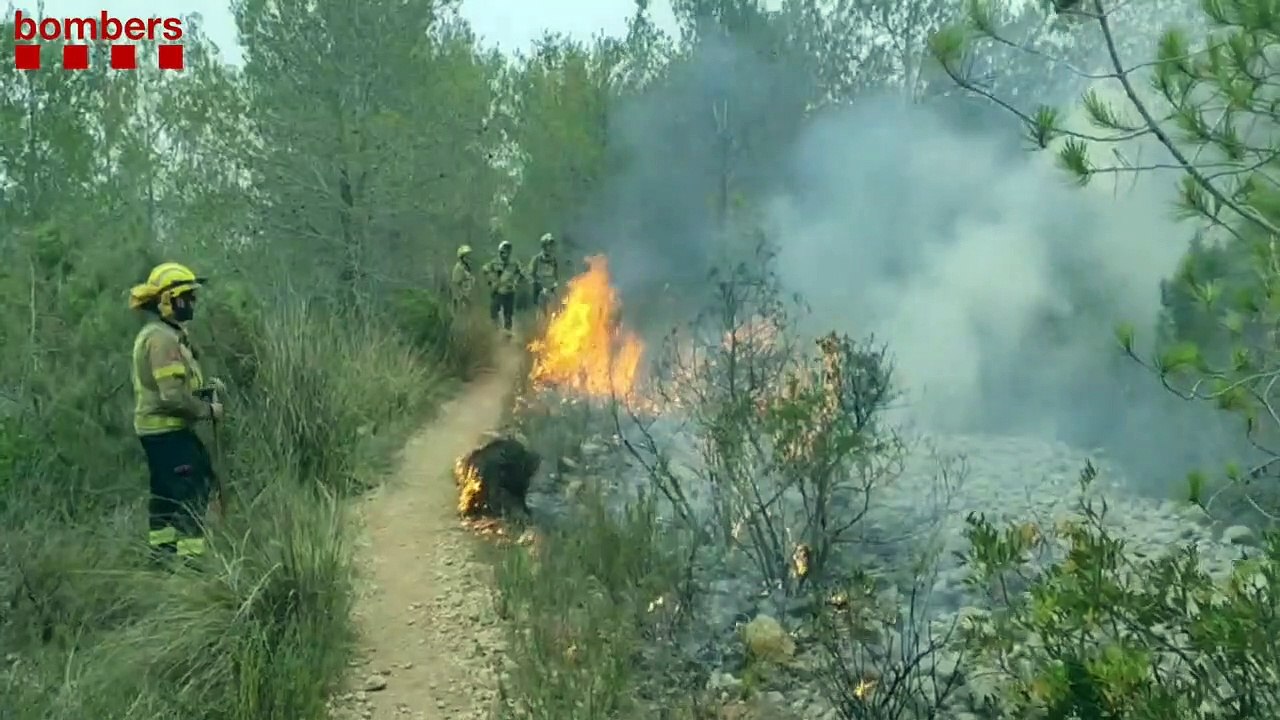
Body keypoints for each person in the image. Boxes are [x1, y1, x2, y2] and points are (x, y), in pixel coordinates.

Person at [128, 262, 223, 561]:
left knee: (165, 496)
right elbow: (171, 395)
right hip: (169, 431)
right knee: (192, 491)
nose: (193, 303)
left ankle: (162, 558)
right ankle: (192, 564)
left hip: (157, 431)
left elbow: (174, 386)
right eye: (188, 298)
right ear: (169, 301)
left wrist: (202, 389)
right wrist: (208, 409)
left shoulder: (162, 334)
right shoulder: (162, 340)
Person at [482, 240, 525, 336]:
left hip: (509, 291)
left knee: (508, 314)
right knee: (494, 311)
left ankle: (507, 334)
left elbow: (522, 274)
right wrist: (491, 281)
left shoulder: (514, 263)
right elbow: (485, 270)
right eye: (503, 251)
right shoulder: (494, 263)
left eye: (507, 251)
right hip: (498, 291)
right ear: (500, 252)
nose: (505, 253)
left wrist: (516, 283)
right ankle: (495, 331)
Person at [527, 233, 559, 316]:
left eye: (552, 245)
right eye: (549, 245)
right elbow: (530, 274)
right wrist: (539, 286)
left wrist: (555, 286)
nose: (551, 248)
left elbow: (555, 276)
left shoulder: (553, 260)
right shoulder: (537, 259)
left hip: (551, 291)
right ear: (544, 246)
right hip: (539, 292)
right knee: (541, 314)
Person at [451, 244, 476, 311]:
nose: (469, 258)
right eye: (466, 256)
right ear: (462, 257)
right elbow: (456, 284)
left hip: (470, 297)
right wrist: (461, 299)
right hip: (463, 300)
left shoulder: (467, 267)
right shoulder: (458, 268)